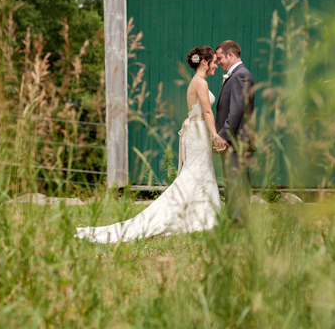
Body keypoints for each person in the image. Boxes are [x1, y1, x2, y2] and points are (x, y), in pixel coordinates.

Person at [76, 46, 224, 243]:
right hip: (198, 133)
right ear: (204, 62)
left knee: (199, 172)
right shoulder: (201, 83)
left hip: (195, 133)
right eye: (214, 61)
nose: (216, 65)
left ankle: (202, 216)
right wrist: (215, 135)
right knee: (195, 173)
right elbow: (206, 112)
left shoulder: (195, 82)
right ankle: (194, 216)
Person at [213, 40, 256, 226]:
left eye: (220, 58)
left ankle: (240, 220)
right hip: (235, 140)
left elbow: (237, 110)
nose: (219, 62)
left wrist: (223, 135)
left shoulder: (240, 75)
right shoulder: (237, 75)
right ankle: (236, 218)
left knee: (237, 182)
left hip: (237, 141)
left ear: (230, 55)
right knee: (233, 181)